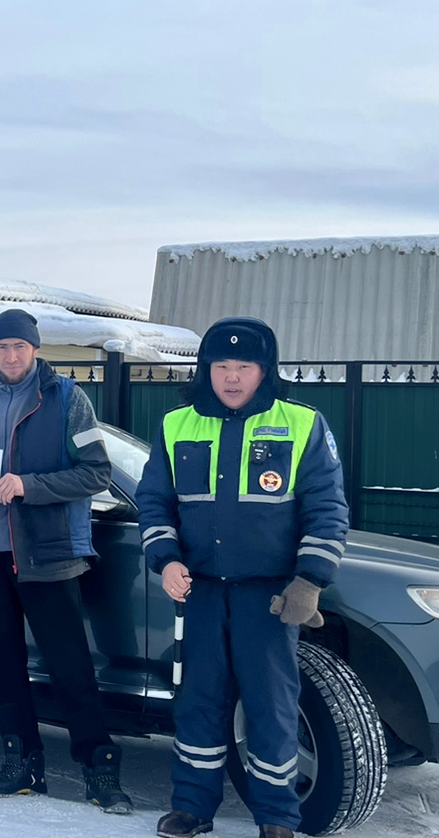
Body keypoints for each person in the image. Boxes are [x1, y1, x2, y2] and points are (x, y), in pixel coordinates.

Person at [136, 317, 348, 838]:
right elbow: (154, 501)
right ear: (206, 370)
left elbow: (327, 509)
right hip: (201, 593)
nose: (231, 377)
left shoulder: (302, 424)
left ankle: (276, 817)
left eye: (244, 366)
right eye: (221, 366)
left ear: (265, 370)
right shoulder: (175, 424)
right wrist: (166, 559)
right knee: (199, 701)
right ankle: (192, 807)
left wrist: (310, 580)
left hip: (269, 597)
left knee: (271, 706)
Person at [0, 308, 132, 812]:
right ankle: (22, 764)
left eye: (19, 346)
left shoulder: (68, 398)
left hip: (47, 557)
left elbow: (96, 472)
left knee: (71, 669)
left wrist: (30, 486)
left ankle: (99, 771)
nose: (10, 355)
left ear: (36, 348)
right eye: (1, 347)